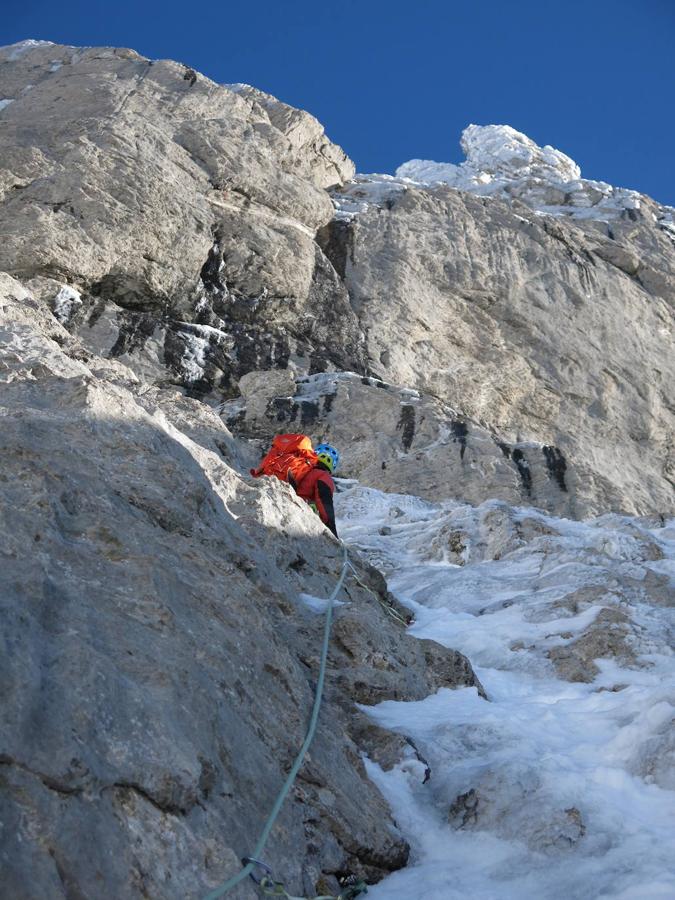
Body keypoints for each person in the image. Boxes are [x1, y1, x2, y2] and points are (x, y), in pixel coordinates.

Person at [290, 443, 340, 538]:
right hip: (301, 511)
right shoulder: (324, 476)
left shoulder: (302, 469)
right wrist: (333, 532)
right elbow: (324, 503)